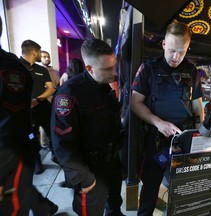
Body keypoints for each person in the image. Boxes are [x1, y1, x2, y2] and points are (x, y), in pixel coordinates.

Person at [130, 22, 204, 215]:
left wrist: (200, 136)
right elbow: (135, 103)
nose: (176, 57)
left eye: (182, 52)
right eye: (172, 50)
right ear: (163, 44)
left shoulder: (191, 70)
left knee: (184, 191)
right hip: (155, 141)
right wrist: (158, 122)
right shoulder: (149, 68)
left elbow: (197, 106)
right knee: (150, 191)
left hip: (184, 140)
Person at [51, 39, 125, 216]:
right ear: (89, 68)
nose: (114, 73)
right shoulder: (69, 94)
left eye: (115, 66)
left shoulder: (103, 86)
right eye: (107, 69)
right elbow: (62, 144)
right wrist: (83, 177)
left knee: (114, 205)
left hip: (111, 162)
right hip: (90, 169)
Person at [0, 16, 58, 216]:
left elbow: (9, 128)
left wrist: (38, 100)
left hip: (19, 140)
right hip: (23, 133)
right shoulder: (16, 65)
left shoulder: (10, 67)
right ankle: (44, 208)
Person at [19, 40, 56, 174]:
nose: (41, 55)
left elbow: (51, 88)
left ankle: (55, 155)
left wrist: (37, 100)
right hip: (26, 112)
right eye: (40, 52)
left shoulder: (41, 69)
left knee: (53, 133)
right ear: (34, 52)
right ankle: (36, 162)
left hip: (44, 108)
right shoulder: (16, 68)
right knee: (31, 137)